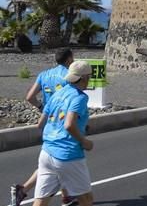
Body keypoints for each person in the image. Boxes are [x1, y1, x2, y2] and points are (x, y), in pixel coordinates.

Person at [12, 48, 76, 206]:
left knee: (53, 161)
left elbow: (29, 97)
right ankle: (24, 189)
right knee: (62, 160)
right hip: (63, 122)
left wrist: (42, 108)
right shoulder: (69, 76)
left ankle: (66, 197)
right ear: (69, 60)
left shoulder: (44, 75)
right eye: (73, 59)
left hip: (49, 121)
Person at [32, 61, 94, 206]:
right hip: (68, 155)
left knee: (40, 202)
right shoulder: (80, 97)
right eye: (89, 76)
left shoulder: (58, 93)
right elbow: (69, 124)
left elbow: (40, 124)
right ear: (84, 78)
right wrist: (84, 141)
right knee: (86, 199)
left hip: (47, 153)